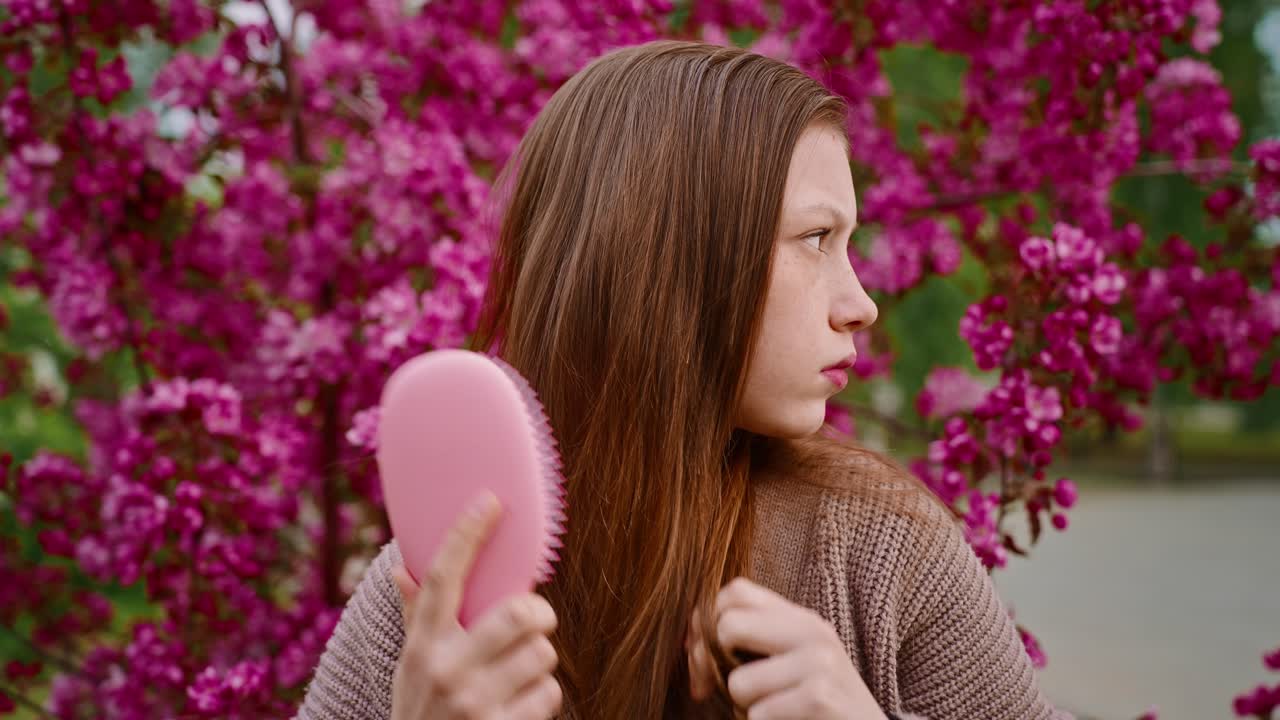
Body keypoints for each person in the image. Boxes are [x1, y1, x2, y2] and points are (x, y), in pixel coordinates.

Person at [296, 39, 1075, 720]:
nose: (861, 303)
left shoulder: (883, 549)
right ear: (666, 264)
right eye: (815, 238)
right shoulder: (440, 594)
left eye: (850, 242)